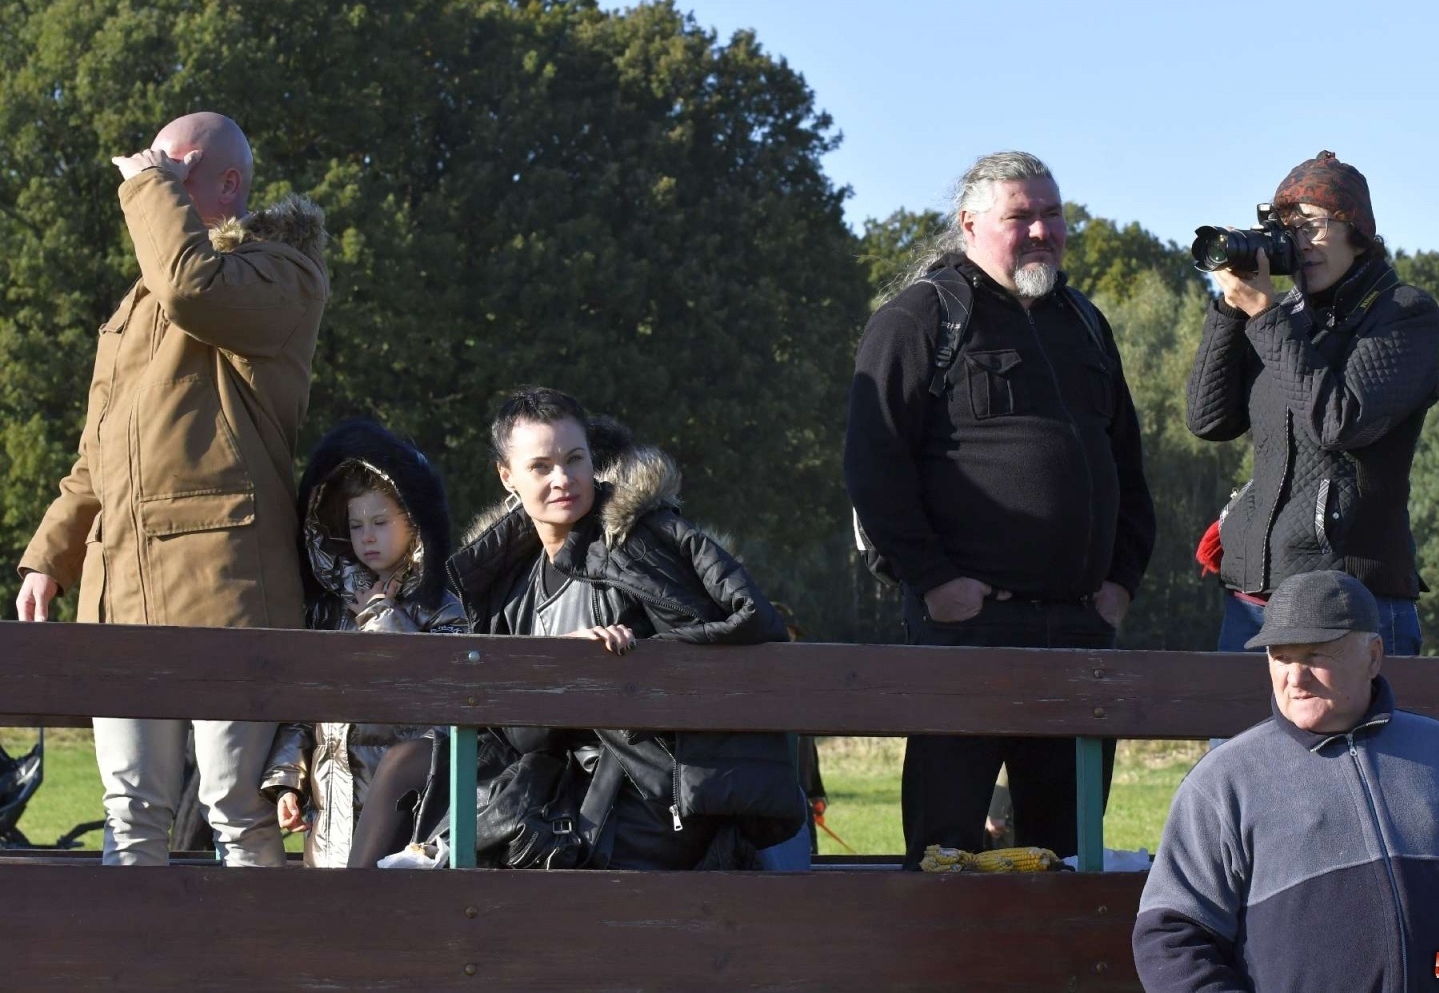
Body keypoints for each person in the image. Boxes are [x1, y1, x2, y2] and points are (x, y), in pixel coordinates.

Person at [13, 112, 329, 866]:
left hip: (227, 590)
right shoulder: (140, 303)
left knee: (237, 806)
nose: (148, 174)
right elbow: (97, 454)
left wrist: (148, 183)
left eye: (170, 166)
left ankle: (256, 948)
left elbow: (192, 288)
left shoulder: (282, 272)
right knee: (130, 811)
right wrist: (49, 557)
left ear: (228, 183)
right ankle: (133, 945)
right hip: (121, 590)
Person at [844, 150, 1156, 865]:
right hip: (969, 630)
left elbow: (1128, 468)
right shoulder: (920, 318)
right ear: (970, 223)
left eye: (1053, 214)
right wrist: (934, 582)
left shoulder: (1084, 322)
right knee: (946, 854)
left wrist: (1121, 582)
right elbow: (873, 466)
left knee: (1067, 856)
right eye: (1021, 216)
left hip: (1079, 630)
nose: (1042, 231)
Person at [440, 387, 805, 869]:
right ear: (507, 476)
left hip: (665, 797)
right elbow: (522, 738)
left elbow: (739, 640)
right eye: (541, 467)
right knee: (460, 854)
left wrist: (630, 661)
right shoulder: (511, 584)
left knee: (524, 872)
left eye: (574, 459)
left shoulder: (639, 543)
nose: (563, 479)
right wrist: (560, 664)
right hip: (569, 796)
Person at [1134, 570, 1439, 992]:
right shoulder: (1223, 781)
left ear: (1373, 656)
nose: (1295, 678)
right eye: (1281, 657)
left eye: (1316, 655)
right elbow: (1170, 936)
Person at [1187, 150, 1439, 654]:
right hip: (1254, 597)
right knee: (1235, 715)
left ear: (1357, 231)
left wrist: (1264, 317)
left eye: (1314, 226)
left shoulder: (1403, 313)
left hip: (1353, 598)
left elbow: (1340, 422)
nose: (1299, 243)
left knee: (1358, 716)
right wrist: (1231, 309)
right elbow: (1208, 419)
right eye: (1288, 229)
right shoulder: (1281, 318)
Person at [260, 420, 467, 868]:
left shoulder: (441, 606)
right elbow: (303, 706)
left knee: (383, 905)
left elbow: (440, 688)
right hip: (327, 816)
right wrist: (287, 780)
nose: (367, 537)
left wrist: (379, 615)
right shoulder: (330, 610)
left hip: (403, 819)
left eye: (380, 522)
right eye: (355, 525)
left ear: (414, 522)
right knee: (331, 906)